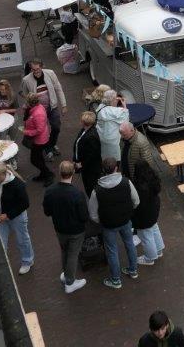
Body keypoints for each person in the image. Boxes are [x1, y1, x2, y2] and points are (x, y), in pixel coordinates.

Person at [89, 156, 140, 289]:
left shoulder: (97, 190)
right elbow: (136, 201)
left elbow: (93, 214)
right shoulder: (126, 182)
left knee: (112, 250)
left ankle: (116, 280)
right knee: (129, 243)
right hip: (125, 220)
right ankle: (133, 270)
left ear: (103, 170)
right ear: (116, 168)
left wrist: (102, 220)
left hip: (108, 225)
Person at [41, 160, 89, 294]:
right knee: (73, 255)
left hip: (60, 228)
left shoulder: (50, 191)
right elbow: (84, 216)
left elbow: (47, 212)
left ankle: (66, 274)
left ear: (59, 172)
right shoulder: (77, 194)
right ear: (73, 172)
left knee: (65, 251)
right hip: (76, 231)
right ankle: (70, 282)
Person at [0, 163, 35, 276]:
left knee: (22, 240)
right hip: (0, 216)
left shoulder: (17, 184)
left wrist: (8, 215)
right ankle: (2, 265)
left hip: (17, 216)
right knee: (0, 242)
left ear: (0, 175)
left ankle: (27, 261)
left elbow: (25, 203)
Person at [22, 59, 67, 158]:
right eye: (33, 69)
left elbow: (58, 89)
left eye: (38, 69)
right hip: (38, 111)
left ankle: (51, 144)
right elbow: (26, 95)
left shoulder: (50, 73)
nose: (36, 71)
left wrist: (63, 105)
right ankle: (48, 148)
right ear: (31, 69)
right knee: (42, 130)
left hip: (52, 107)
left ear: (41, 66)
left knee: (56, 127)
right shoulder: (26, 80)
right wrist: (28, 108)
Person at [22, 91, 53, 183]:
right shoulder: (36, 108)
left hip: (40, 140)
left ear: (30, 103)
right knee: (38, 158)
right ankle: (44, 174)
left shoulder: (38, 114)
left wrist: (26, 132)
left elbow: (39, 130)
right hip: (38, 139)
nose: (25, 104)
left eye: (26, 102)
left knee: (34, 160)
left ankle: (48, 175)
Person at [95, 87, 129, 161]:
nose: (117, 99)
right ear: (112, 100)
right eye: (116, 98)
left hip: (101, 137)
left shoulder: (100, 108)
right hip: (112, 140)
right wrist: (124, 105)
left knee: (104, 155)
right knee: (114, 158)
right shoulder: (117, 111)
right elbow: (125, 122)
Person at [73, 111, 102, 198]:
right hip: (86, 166)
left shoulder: (91, 136)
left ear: (84, 122)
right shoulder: (85, 130)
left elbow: (92, 155)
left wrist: (81, 164)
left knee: (91, 189)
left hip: (91, 169)